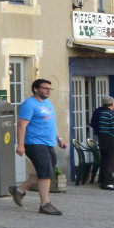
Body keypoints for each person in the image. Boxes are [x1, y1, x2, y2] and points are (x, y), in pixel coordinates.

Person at [11, 77, 67, 214]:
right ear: (36, 89)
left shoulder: (48, 103)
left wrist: (59, 138)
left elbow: (51, 124)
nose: (48, 91)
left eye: (50, 89)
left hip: (49, 143)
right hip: (34, 143)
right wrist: (20, 145)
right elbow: (21, 125)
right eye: (45, 88)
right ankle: (45, 204)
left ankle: (19, 190)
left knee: (47, 172)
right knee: (45, 173)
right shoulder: (29, 105)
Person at [89, 95, 114, 191]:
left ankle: (102, 180)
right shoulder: (110, 114)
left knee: (104, 159)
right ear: (112, 104)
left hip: (101, 137)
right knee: (110, 160)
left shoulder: (99, 112)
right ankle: (107, 182)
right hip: (109, 138)